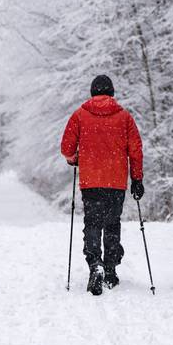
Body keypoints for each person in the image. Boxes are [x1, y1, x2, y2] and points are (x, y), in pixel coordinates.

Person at [60, 75, 144, 296]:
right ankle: (110, 269)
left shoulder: (80, 116)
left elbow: (67, 148)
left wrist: (74, 159)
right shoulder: (124, 117)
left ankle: (94, 263)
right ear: (112, 93)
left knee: (93, 223)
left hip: (91, 181)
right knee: (112, 223)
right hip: (116, 182)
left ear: (92, 92)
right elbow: (135, 151)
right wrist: (137, 179)